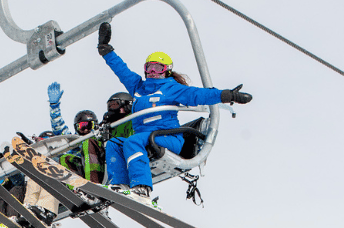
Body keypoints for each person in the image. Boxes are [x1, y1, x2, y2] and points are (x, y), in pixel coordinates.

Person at [96, 22, 253, 198]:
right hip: (144, 138)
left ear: (167, 71)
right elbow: (121, 70)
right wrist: (105, 50)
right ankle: (119, 184)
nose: (153, 72)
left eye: (158, 68)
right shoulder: (138, 87)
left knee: (132, 141)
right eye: (149, 67)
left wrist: (227, 95)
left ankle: (141, 187)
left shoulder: (172, 88)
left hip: (167, 137)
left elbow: (198, 95)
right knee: (115, 143)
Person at [47, 82, 105, 183]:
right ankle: (77, 189)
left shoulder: (99, 138)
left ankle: (93, 185)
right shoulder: (74, 140)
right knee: (65, 158)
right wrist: (54, 107)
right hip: (81, 171)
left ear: (95, 125)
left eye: (89, 125)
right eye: (82, 126)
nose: (86, 129)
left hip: (98, 170)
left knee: (88, 143)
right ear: (76, 128)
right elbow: (59, 128)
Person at [21, 131, 60, 226]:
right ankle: (29, 209)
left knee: (48, 179)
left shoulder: (59, 150)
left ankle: (47, 210)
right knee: (33, 180)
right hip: (41, 175)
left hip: (56, 178)